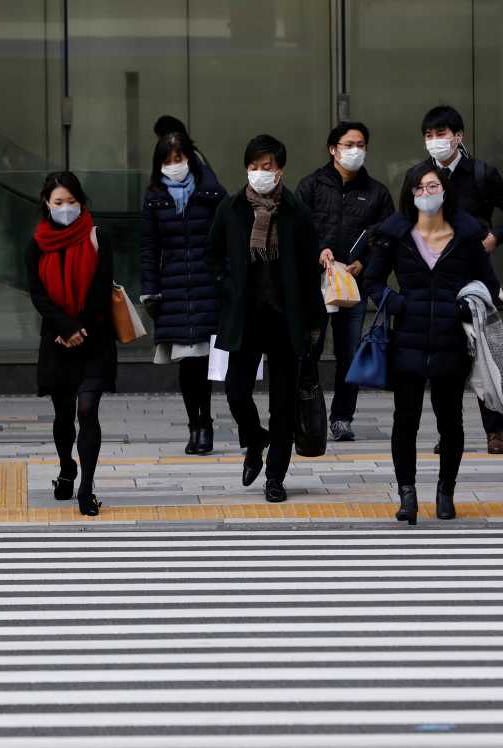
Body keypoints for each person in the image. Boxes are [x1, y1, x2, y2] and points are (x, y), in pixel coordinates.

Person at [364, 162, 500, 523]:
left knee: (451, 422)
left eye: (432, 186)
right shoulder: (395, 236)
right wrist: (396, 303)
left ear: (445, 190)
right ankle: (407, 494)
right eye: (419, 188)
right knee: (404, 420)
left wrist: (465, 308)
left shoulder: (467, 236)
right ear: (410, 195)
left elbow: (488, 285)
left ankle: (445, 491)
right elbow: (372, 281)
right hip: (406, 340)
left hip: (451, 341)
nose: (427, 194)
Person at [206, 135, 326, 503]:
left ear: (281, 170)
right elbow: (212, 256)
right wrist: (227, 288)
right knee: (236, 391)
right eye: (255, 167)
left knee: (283, 405)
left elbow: (308, 271)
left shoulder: (296, 210)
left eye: (268, 167)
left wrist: (312, 323)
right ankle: (255, 438)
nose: (261, 173)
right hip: (245, 316)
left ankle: (275, 476)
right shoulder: (231, 208)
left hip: (285, 318)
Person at [296, 121, 395, 442]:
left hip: (353, 285)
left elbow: (386, 239)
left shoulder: (376, 192)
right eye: (349, 144)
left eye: (361, 145)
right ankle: (307, 413)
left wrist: (363, 264)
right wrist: (318, 252)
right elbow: (297, 229)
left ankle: (341, 417)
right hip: (316, 284)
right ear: (333, 148)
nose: (355, 150)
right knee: (308, 350)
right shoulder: (311, 186)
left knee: (348, 353)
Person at [27, 172, 118, 517]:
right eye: (58, 203)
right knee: (63, 413)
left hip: (94, 337)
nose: (66, 208)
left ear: (82, 202)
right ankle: (67, 467)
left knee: (87, 410)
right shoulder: (36, 243)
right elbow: (37, 293)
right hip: (56, 338)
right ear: (47, 205)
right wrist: (65, 328)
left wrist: (80, 328)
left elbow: (101, 288)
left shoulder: (98, 236)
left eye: (72, 202)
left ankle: (86, 488)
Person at [420, 105, 503, 454]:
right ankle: (448, 432)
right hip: (438, 277)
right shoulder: (422, 176)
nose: (436, 141)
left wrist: (493, 238)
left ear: (459, 136)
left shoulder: (481, 173)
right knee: (444, 361)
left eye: (442, 134)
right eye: (429, 136)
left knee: (485, 353)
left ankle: (495, 430)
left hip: (475, 277)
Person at [140, 132, 227, 455]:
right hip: (174, 290)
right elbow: (149, 248)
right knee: (188, 362)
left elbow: (226, 238)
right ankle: (197, 424)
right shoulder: (154, 197)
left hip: (208, 287)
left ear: (190, 157)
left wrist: (227, 278)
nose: (174, 166)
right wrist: (150, 290)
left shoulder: (211, 192)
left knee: (204, 360)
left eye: (179, 159)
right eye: (167, 161)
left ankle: (205, 421)